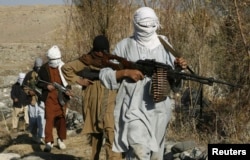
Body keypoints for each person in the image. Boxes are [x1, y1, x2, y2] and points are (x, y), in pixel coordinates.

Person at [98, 7, 188, 160]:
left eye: (151, 24)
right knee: (139, 150)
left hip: (159, 109)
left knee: (155, 156)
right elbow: (104, 74)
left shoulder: (165, 46)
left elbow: (175, 83)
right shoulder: (124, 45)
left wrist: (179, 69)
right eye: (143, 24)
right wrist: (126, 73)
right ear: (135, 24)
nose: (147, 28)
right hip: (132, 108)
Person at [61, 35, 122, 160]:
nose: (100, 54)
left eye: (103, 50)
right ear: (94, 50)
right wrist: (79, 80)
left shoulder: (112, 61)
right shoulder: (86, 60)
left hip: (109, 97)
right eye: (98, 51)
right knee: (95, 133)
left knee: (111, 131)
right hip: (92, 99)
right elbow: (66, 68)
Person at [36, 45, 73, 152]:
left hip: (62, 98)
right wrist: (46, 86)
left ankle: (61, 140)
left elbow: (67, 82)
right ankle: (48, 142)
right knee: (49, 119)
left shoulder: (64, 67)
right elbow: (38, 82)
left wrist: (69, 91)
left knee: (61, 119)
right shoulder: (43, 69)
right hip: (49, 99)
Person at [23, 57, 45, 144]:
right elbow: (24, 86)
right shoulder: (29, 75)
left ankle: (41, 136)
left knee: (41, 119)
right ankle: (34, 135)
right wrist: (29, 92)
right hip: (32, 100)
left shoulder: (44, 74)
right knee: (33, 119)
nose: (38, 68)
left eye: (40, 66)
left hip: (42, 100)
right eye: (37, 67)